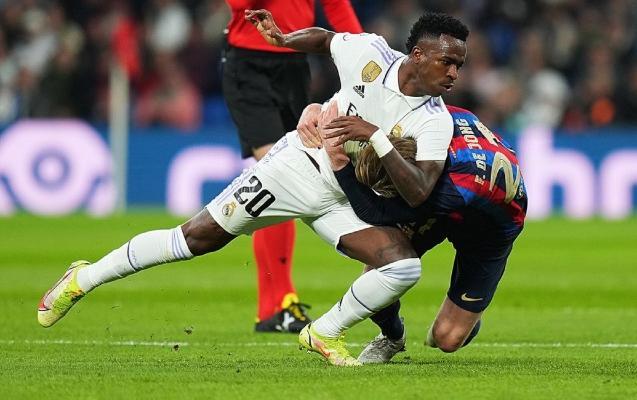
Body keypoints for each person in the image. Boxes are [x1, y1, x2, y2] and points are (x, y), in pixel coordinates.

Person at [37, 10, 469, 367]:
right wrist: (283, 40)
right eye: (447, 62)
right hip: (295, 168)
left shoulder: (435, 120)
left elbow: (419, 191)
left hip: (345, 196)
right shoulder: (370, 52)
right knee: (194, 239)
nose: (453, 73)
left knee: (402, 265)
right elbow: (325, 39)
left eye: (459, 66)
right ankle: (83, 278)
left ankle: (324, 332)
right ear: (417, 54)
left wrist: (373, 135)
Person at [319, 105, 527, 363]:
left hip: (489, 231)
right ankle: (392, 336)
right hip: (462, 189)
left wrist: (339, 163)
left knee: (445, 339)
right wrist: (317, 111)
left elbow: (375, 213)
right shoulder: (430, 117)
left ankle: (467, 316)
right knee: (381, 274)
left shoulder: (450, 189)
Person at [222, 0, 363, 334]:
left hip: (295, 61)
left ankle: (270, 310)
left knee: (286, 173)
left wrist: (363, 54)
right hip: (249, 65)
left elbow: (336, 5)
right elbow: (241, 5)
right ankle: (281, 302)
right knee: (278, 175)